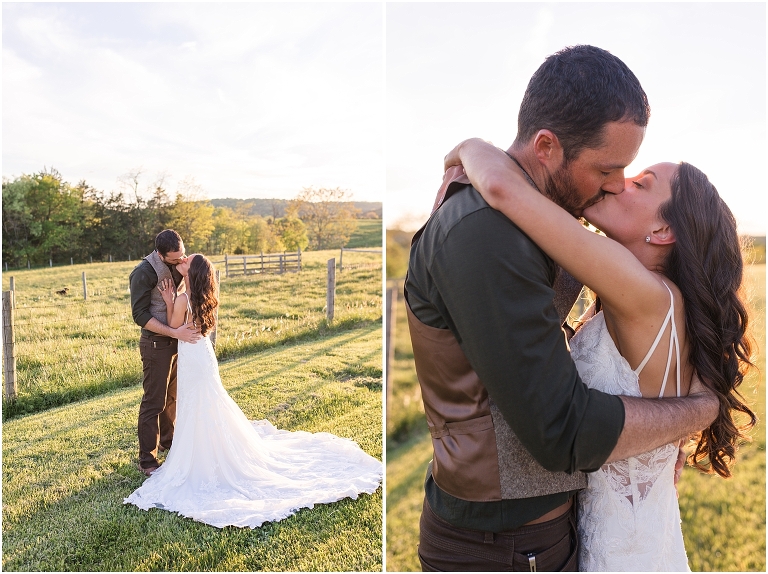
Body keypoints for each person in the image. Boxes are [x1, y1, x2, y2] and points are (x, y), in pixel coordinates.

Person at [405, 45, 720, 571]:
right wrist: (696, 411)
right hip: (500, 540)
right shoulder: (487, 233)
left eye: (633, 176)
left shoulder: (552, 227)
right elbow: (561, 431)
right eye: (610, 168)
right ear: (548, 146)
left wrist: (472, 147)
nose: (618, 183)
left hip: (544, 532)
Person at [445, 140, 755, 570]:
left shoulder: (647, 295)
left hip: (619, 553)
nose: (618, 182)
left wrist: (467, 147)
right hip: (638, 536)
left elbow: (501, 187)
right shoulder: (652, 299)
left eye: (641, 184)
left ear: (663, 232)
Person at [124, 254, 382, 528]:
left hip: (191, 358)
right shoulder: (202, 297)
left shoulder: (182, 299)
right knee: (208, 400)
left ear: (191, 273)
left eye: (187, 261)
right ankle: (203, 443)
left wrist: (167, 299)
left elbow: (175, 328)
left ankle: (200, 449)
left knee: (196, 402)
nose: (183, 260)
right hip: (203, 356)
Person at [129, 229, 201, 477]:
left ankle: (168, 443)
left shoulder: (178, 263)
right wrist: (174, 332)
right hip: (155, 346)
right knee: (154, 402)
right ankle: (147, 460)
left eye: (183, 255)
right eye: (174, 258)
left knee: (172, 398)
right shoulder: (143, 273)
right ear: (160, 255)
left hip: (176, 344)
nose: (180, 260)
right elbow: (140, 316)